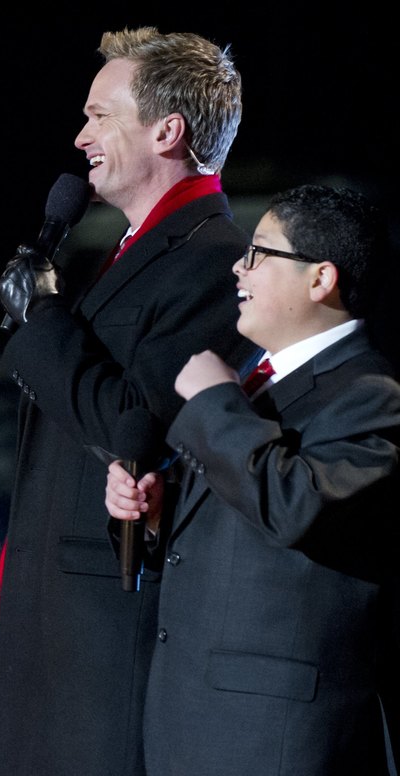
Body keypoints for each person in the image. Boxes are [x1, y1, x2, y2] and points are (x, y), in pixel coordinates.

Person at [0, 27, 253, 775]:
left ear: (167, 130)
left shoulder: (217, 260)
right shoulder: (128, 252)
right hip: (46, 630)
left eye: (100, 115)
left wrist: (43, 319)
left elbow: (136, 427)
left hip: (102, 638)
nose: (80, 137)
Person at [104, 184, 400, 774]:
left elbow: (299, 504)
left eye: (260, 252)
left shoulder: (373, 395)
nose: (238, 267)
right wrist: (159, 515)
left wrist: (215, 404)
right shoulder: (257, 381)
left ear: (321, 280)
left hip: (275, 739)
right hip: (192, 723)